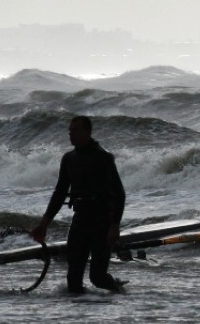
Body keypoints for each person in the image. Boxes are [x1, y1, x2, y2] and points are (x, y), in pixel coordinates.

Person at [29, 115, 127, 294]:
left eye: (75, 130)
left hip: (102, 223)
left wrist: (114, 225)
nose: (71, 134)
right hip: (80, 220)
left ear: (88, 132)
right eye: (69, 131)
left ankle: (119, 292)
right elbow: (59, 194)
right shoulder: (69, 159)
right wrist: (44, 224)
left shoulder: (103, 158)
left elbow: (119, 194)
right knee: (73, 279)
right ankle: (80, 316)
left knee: (97, 277)